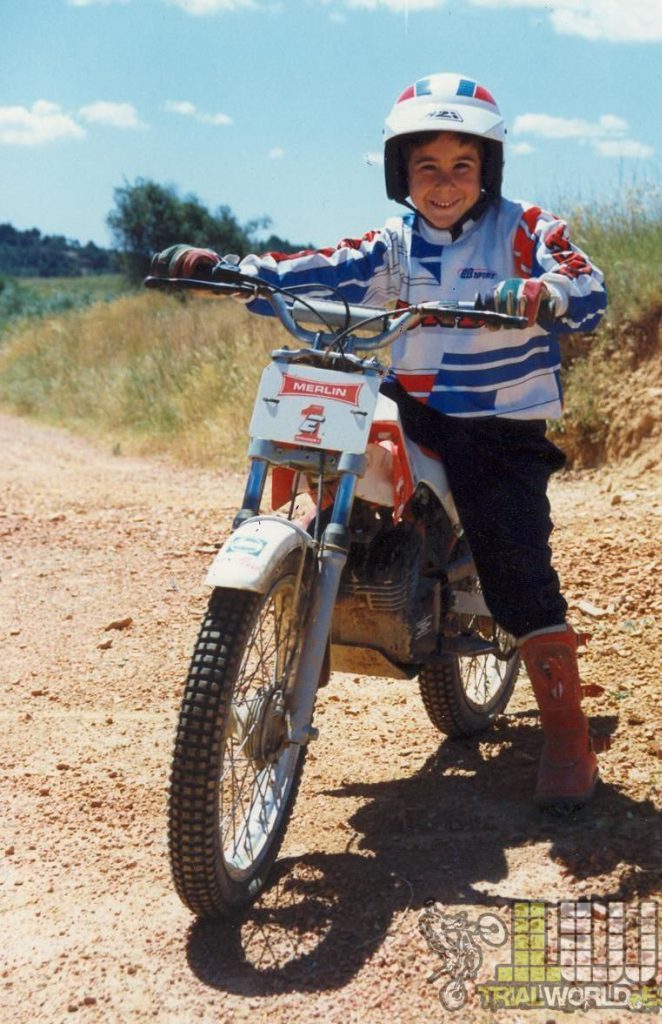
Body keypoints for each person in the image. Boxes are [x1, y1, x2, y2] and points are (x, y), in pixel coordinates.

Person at [152, 72, 608, 810]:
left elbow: (584, 283)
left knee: (513, 558)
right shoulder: (392, 244)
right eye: (426, 166)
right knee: (339, 454)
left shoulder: (525, 229)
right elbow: (319, 268)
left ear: (487, 170)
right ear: (401, 172)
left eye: (462, 165)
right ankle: (311, 582)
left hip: (498, 424)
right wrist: (236, 270)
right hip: (416, 403)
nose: (444, 182)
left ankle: (566, 738)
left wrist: (545, 293)